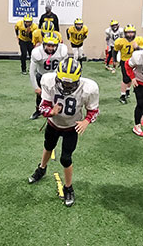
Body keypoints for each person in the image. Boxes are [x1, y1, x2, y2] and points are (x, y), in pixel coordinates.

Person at [27, 59, 99, 207]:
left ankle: (68, 187)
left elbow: (93, 110)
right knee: (48, 146)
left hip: (71, 127)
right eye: (64, 82)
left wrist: (86, 121)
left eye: (70, 83)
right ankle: (42, 168)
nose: (66, 86)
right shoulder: (49, 80)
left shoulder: (89, 88)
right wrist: (51, 111)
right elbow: (43, 106)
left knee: (66, 158)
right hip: (54, 124)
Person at [29, 35, 70, 120]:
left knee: (59, 94)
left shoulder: (62, 51)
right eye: (48, 45)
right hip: (42, 75)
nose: (50, 48)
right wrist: (35, 87)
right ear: (44, 44)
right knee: (40, 96)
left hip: (56, 76)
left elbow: (65, 66)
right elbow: (32, 71)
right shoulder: (37, 52)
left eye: (53, 46)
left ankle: (59, 111)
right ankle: (38, 111)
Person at [114, 25, 143, 104]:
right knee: (125, 79)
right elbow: (115, 51)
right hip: (125, 61)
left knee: (132, 77)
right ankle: (122, 95)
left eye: (132, 33)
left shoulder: (138, 40)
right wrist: (114, 60)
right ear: (125, 33)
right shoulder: (120, 41)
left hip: (135, 61)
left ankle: (127, 90)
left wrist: (137, 47)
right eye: (128, 33)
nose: (130, 35)